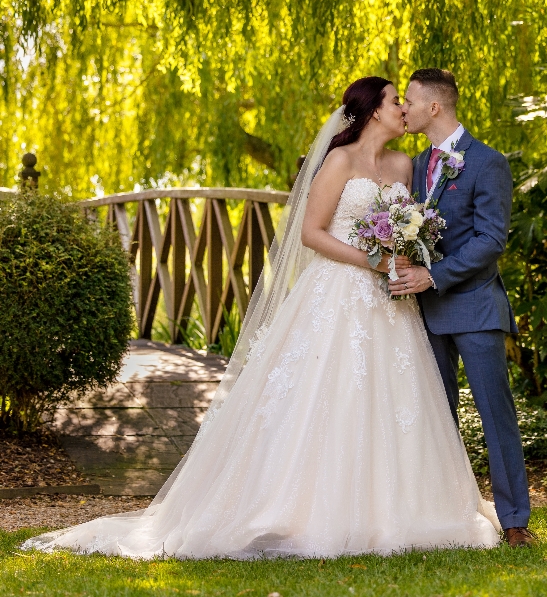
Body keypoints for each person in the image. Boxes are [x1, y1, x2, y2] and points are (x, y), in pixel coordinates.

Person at [23, 76, 500, 559]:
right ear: (375, 111)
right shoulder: (338, 161)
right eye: (396, 99)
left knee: (393, 396)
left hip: (391, 303)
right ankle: (297, 508)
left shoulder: (404, 166)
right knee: (321, 395)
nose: (403, 107)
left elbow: (419, 224)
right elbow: (312, 233)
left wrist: (402, 248)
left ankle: (403, 507)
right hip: (337, 293)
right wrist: (372, 259)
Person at [391, 68, 534, 548]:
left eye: (409, 99)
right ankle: (445, 514)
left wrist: (434, 274)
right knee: (435, 414)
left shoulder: (487, 162)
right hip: (422, 313)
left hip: (474, 308)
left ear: (435, 107)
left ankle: (515, 521)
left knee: (496, 415)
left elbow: (491, 239)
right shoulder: (411, 165)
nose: (404, 108)